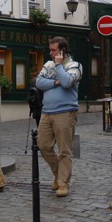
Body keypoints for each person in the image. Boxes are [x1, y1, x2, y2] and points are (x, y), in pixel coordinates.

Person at [35, 36, 82, 198]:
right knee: (43, 145)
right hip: (46, 112)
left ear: (62, 51)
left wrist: (58, 66)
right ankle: (58, 174)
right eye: (50, 49)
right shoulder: (48, 65)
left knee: (64, 150)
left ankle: (63, 183)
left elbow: (68, 82)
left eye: (53, 50)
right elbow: (39, 83)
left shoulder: (74, 66)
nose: (50, 53)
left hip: (65, 112)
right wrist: (55, 83)